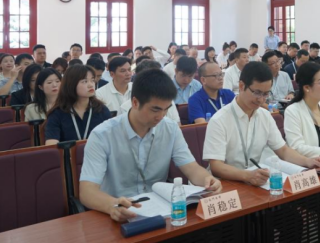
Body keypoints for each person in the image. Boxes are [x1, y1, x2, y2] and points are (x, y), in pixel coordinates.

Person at [79, 68, 221, 222]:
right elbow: (87, 192)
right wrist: (112, 205)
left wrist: (208, 179)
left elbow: (191, 168)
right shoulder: (102, 135)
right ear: (135, 102)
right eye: (155, 109)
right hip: (117, 213)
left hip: (160, 212)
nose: (161, 116)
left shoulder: (170, 128)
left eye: (166, 109)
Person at [203, 61, 320, 187]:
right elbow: (216, 166)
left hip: (255, 181)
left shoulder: (265, 116)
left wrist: (307, 161)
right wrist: (247, 175)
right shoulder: (219, 120)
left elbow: (283, 150)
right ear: (241, 86)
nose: (261, 99)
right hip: (226, 184)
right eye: (257, 92)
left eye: (266, 94)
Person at [45, 65, 112, 144]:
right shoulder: (57, 113)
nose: (91, 85)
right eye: (85, 81)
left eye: (92, 80)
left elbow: (111, 139)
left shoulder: (101, 109)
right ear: (71, 84)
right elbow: (52, 145)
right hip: (68, 152)